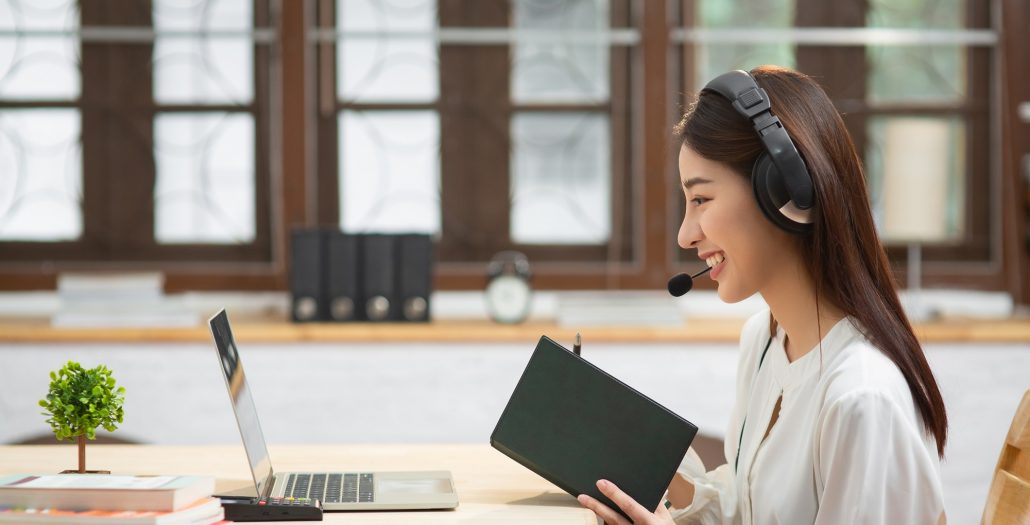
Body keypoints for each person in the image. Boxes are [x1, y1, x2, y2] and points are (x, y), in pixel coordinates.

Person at [576, 66, 948, 524]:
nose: (685, 235)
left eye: (701, 200)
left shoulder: (861, 399)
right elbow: (749, 510)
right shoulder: (766, 340)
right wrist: (649, 474)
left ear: (786, 191)